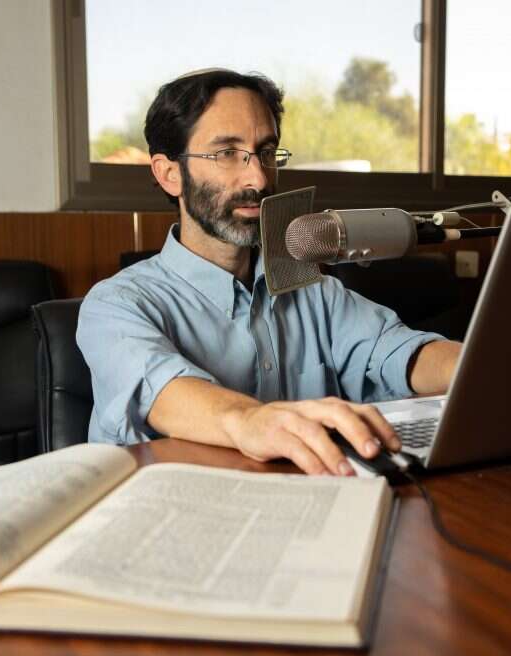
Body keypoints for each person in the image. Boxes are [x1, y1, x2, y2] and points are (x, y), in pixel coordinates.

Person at [78, 69, 462, 476]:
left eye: (265, 152)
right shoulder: (114, 306)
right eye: (227, 153)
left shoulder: (315, 293)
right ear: (169, 174)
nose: (258, 178)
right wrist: (250, 420)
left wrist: (476, 370)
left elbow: (402, 352)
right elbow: (163, 391)